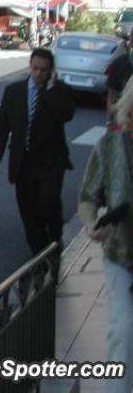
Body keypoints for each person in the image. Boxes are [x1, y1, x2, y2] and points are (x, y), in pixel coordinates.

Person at [0, 48, 75, 259]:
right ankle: (40, 256)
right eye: (35, 68)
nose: (38, 74)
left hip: (51, 161)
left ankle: (55, 237)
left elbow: (66, 115)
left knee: (48, 204)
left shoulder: (60, 90)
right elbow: (2, 124)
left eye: (43, 70)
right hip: (23, 161)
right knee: (28, 211)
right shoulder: (14, 91)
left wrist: (52, 90)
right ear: (30, 66)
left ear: (51, 70)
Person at [78, 75, 133, 393]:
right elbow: (88, 197)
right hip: (122, 255)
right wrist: (90, 224)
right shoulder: (110, 146)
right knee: (123, 331)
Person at [105, 27, 133, 128]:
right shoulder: (119, 63)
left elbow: (110, 94)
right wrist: (109, 120)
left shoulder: (118, 63)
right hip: (122, 119)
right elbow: (111, 93)